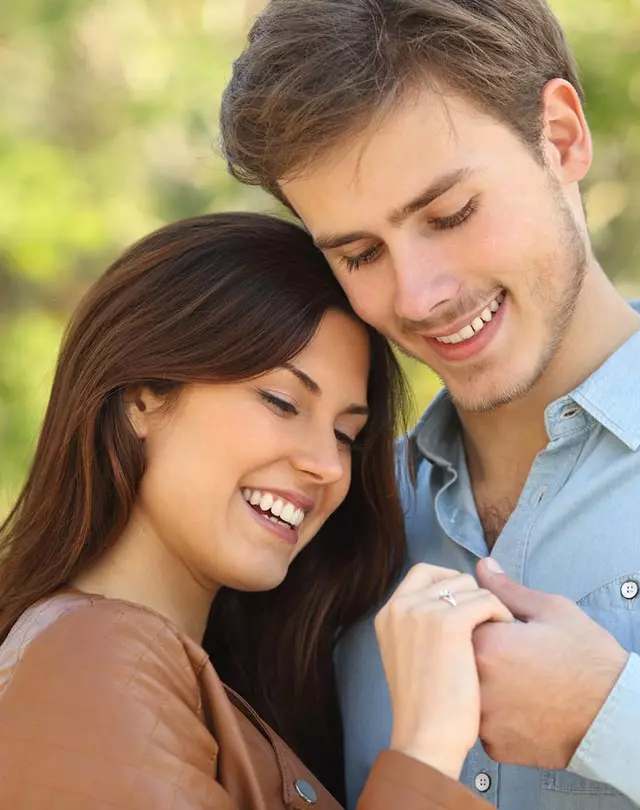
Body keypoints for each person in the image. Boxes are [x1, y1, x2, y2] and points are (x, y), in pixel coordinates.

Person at [218, 2, 640, 809]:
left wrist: (618, 722)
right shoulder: (333, 523)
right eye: (359, 254)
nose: (419, 298)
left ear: (561, 138)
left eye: (450, 215)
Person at [0, 212, 511, 810]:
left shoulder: (193, 680)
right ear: (142, 396)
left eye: (346, 435)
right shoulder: (90, 658)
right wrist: (426, 750)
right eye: (281, 401)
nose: (327, 465)